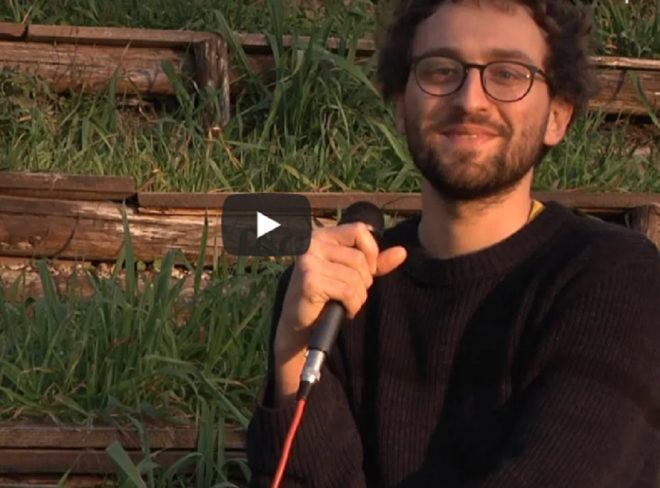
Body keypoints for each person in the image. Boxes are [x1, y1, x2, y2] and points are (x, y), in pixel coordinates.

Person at [247, 0, 660, 486]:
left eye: (508, 74)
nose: (470, 101)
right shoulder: (341, 290)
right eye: (441, 70)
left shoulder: (613, 278)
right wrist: (294, 353)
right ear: (401, 107)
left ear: (558, 116)